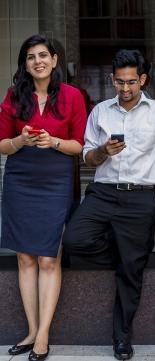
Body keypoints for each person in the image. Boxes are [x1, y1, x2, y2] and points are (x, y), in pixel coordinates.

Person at [62, 49, 155, 360]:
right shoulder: (100, 111)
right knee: (74, 240)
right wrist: (104, 151)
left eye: (131, 82)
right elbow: (87, 157)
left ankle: (122, 338)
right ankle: (127, 252)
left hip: (141, 196)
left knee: (131, 273)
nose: (125, 89)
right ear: (112, 80)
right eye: (119, 82)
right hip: (102, 192)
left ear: (142, 79)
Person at [0, 34, 87, 361]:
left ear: (54, 60)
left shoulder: (72, 96)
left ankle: (44, 336)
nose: (37, 61)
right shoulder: (13, 96)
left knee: (49, 257)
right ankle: (31, 330)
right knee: (25, 258)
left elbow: (79, 145)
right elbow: (1, 144)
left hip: (55, 179)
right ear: (25, 64)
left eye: (42, 55)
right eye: (30, 57)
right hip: (21, 178)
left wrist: (52, 142)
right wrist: (20, 140)